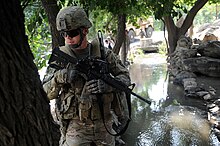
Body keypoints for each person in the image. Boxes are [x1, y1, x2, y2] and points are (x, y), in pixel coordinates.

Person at [42, 6, 131, 146]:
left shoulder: (104, 54)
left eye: (72, 33)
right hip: (76, 128)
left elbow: (125, 78)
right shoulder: (60, 58)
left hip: (105, 125)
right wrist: (60, 77)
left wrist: (109, 85)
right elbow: (44, 93)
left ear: (85, 30)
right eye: (64, 34)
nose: (68, 38)